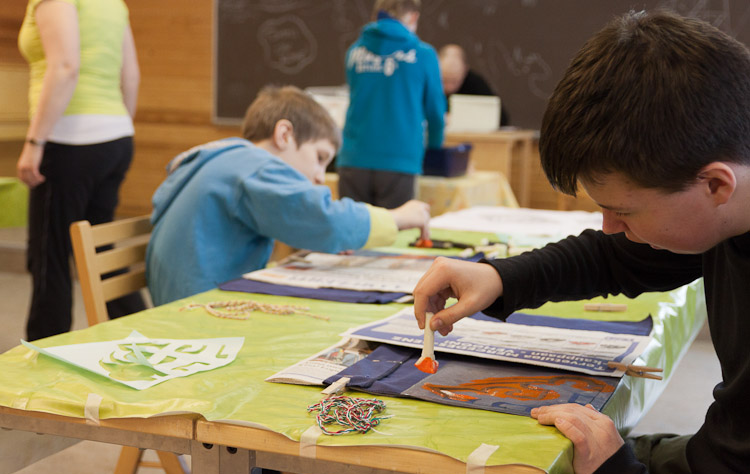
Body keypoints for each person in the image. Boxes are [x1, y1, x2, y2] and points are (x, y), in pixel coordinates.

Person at [413, 10, 749, 474]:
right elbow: (614, 259)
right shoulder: (725, 211)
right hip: (718, 458)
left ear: (716, 184)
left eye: (623, 211)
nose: (609, 227)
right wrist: (498, 277)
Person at [146, 84, 430, 307]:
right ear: (284, 134)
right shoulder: (254, 166)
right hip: (200, 310)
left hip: (179, 303)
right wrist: (397, 217)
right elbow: (323, 219)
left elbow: (304, 222)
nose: (320, 176)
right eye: (320, 157)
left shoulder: (226, 161)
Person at [17, 0, 144, 341]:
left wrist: (35, 142)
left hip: (69, 140)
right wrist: (116, 126)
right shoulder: (113, 3)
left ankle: (43, 354)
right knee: (100, 250)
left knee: (50, 255)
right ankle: (144, 337)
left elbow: (65, 66)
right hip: (115, 137)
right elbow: (130, 74)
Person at [336, 0, 445, 209]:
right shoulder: (423, 54)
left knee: (354, 228)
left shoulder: (354, 51)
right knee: (394, 228)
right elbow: (435, 113)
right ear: (413, 16)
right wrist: (434, 153)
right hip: (399, 160)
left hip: (353, 159)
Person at [438, 43, 510, 127]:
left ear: (465, 70)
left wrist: (461, 118)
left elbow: (501, 118)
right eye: (444, 80)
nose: (449, 87)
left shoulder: (475, 83)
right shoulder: (429, 81)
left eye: (454, 81)